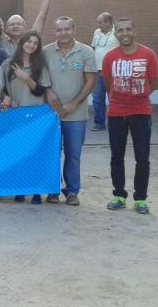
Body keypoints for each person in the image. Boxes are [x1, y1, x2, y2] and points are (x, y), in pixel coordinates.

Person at [103, 18, 158, 214]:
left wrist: (137, 98)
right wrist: (121, 99)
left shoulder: (148, 54)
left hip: (141, 113)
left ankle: (140, 199)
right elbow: (108, 84)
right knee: (116, 157)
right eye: (120, 30)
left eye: (128, 29)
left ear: (134, 31)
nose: (124, 33)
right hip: (116, 113)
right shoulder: (110, 57)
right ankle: (119, 195)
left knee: (142, 157)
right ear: (115, 33)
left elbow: (153, 82)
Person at [44, 16, 96, 206]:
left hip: (76, 114)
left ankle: (72, 191)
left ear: (74, 30)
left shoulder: (86, 52)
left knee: (73, 154)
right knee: (52, 153)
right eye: (59, 30)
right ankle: (52, 190)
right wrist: (49, 93)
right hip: (51, 114)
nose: (63, 33)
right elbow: (43, 78)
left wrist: (73, 104)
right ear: (55, 31)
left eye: (67, 29)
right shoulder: (46, 52)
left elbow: (91, 81)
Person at [2, 30, 51, 204]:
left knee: (35, 154)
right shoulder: (8, 64)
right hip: (16, 115)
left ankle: (36, 191)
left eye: (35, 43)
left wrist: (25, 77)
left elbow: (39, 91)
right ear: (22, 42)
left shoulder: (40, 65)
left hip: (36, 114)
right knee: (18, 154)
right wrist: (7, 98)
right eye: (28, 41)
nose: (31, 45)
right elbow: (4, 89)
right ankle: (20, 189)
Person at [90, 12, 119, 131]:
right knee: (97, 98)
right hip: (97, 70)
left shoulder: (117, 32)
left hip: (112, 72)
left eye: (100, 22)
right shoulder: (96, 32)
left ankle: (115, 123)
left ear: (108, 22)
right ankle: (99, 123)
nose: (98, 24)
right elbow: (93, 48)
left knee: (113, 97)